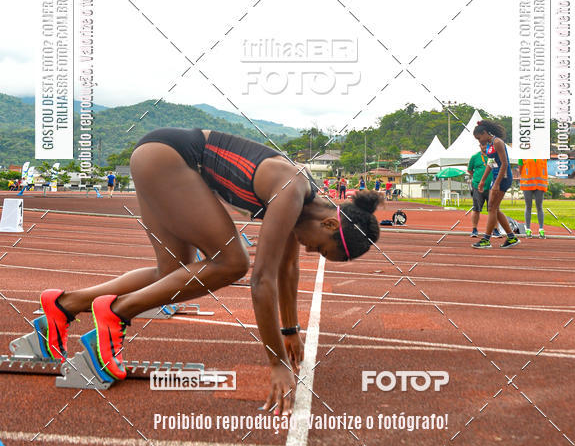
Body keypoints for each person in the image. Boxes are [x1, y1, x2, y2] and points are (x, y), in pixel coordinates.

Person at [38, 129, 381, 414]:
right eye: (320, 248)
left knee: (172, 273)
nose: (309, 250)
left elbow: (288, 267)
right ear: (330, 223)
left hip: (158, 156)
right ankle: (117, 312)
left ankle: (64, 305)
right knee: (233, 262)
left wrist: (290, 330)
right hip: (170, 159)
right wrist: (277, 363)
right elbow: (262, 280)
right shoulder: (291, 190)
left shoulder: (306, 202)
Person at [471, 120, 519, 249]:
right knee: (494, 209)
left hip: (503, 177)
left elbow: (504, 163)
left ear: (485, 133)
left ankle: (486, 239)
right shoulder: (490, 144)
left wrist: (497, 183)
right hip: (496, 176)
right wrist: (483, 180)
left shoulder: (498, 142)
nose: (479, 141)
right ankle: (511, 237)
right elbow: (491, 162)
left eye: (479, 138)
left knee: (492, 208)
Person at [466, 140, 495, 238]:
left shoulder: (492, 157)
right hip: (477, 186)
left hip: (491, 186)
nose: (484, 147)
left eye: (486, 145)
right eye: (483, 145)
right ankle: (474, 229)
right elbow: (469, 170)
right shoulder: (474, 157)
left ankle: (495, 229)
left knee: (493, 209)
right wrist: (477, 178)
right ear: (480, 146)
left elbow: (496, 168)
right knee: (476, 208)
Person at [519, 159, 548, 238]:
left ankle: (541, 229)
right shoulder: (523, 155)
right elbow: (520, 168)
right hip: (527, 184)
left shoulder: (543, 155)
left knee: (539, 206)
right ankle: (528, 229)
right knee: (528, 206)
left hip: (540, 184)